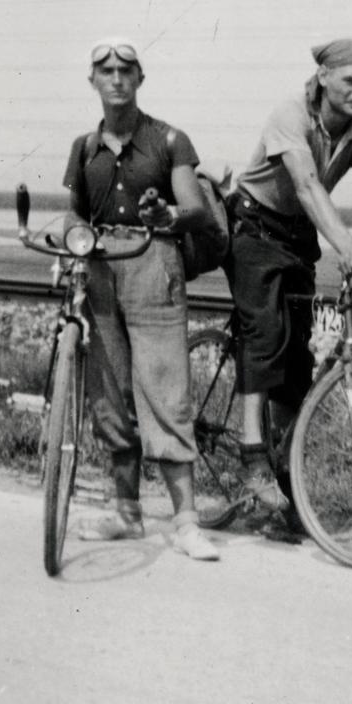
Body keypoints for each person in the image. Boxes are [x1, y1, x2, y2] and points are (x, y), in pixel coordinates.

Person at [225, 38, 352, 534]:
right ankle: (250, 458)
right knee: (264, 335)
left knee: (297, 367)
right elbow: (308, 185)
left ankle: (285, 493)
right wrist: (346, 247)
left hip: (296, 234)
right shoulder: (290, 113)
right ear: (324, 76)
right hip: (254, 225)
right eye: (351, 81)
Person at [62, 37, 220, 561]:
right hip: (101, 270)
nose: (116, 78)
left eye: (126, 69)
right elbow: (75, 213)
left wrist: (168, 216)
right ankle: (127, 514)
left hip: (155, 265)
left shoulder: (169, 139)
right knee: (108, 397)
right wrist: (71, 241)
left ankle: (186, 522)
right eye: (104, 70)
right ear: (92, 81)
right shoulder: (84, 147)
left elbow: (197, 208)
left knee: (164, 391)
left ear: (140, 80)